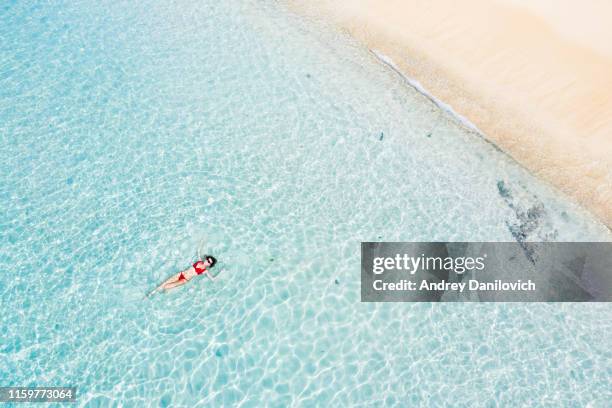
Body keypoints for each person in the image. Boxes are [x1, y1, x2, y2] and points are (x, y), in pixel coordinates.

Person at [148, 255, 217, 296]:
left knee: (167, 286)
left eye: (208, 262)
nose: (206, 261)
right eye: (207, 259)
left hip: (184, 280)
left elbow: (212, 279)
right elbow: (199, 250)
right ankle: (151, 293)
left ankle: (163, 295)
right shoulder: (199, 261)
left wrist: (220, 273)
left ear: (209, 265)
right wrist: (203, 240)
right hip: (181, 274)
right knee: (165, 283)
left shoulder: (205, 271)